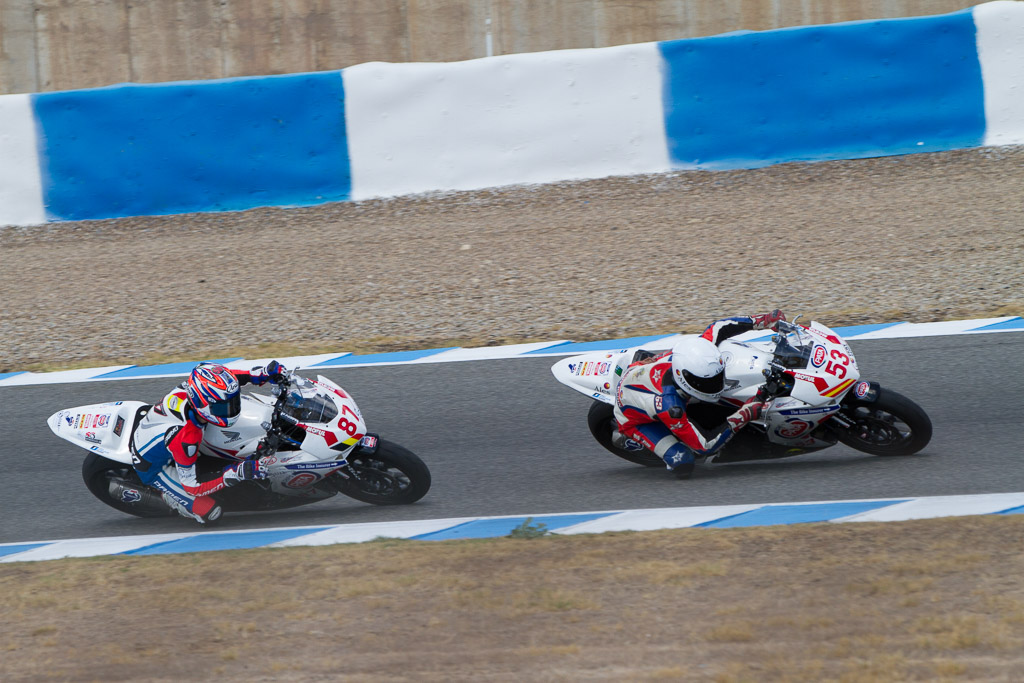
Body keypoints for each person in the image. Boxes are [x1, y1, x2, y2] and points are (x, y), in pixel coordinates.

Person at [613, 311, 786, 479]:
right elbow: (705, 446)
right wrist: (745, 414)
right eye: (709, 382)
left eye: (717, 378)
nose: (716, 384)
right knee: (684, 461)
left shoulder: (692, 355)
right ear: (686, 378)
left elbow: (719, 327)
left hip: (643, 374)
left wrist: (763, 320)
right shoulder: (671, 408)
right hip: (634, 420)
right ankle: (630, 440)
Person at [129, 360, 291, 523]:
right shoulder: (187, 438)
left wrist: (260, 374)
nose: (231, 408)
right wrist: (236, 473)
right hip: (152, 467)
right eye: (223, 406)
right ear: (202, 405)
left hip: (164, 434)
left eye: (232, 402)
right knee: (211, 513)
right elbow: (193, 486)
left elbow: (230, 381)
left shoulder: (196, 387)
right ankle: (169, 498)